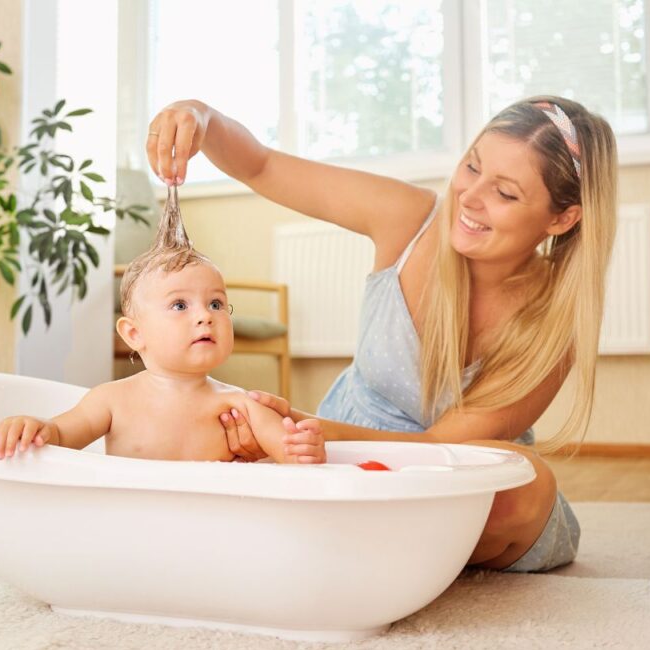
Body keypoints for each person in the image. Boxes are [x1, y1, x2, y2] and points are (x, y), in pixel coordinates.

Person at [146, 96, 617, 572]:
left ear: (562, 218)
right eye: (471, 167)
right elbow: (262, 165)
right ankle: (372, 548)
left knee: (529, 484)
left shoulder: (557, 319)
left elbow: (442, 449)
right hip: (340, 454)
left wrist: (294, 427)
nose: (470, 197)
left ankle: (346, 542)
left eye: (506, 193)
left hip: (441, 473)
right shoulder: (409, 218)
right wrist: (203, 120)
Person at [0, 187, 326, 466]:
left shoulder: (239, 404)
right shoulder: (111, 400)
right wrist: (37, 427)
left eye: (216, 304)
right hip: (138, 527)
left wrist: (303, 448)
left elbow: (290, 455)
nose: (205, 316)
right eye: (180, 305)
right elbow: (62, 436)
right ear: (134, 333)